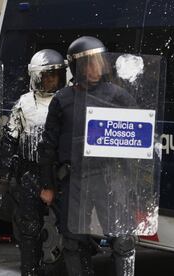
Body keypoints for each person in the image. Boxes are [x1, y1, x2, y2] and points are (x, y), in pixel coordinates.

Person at [38, 36, 137, 276]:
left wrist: (134, 182)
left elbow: (134, 143)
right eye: (88, 64)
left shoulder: (119, 97)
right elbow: (48, 146)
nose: (95, 68)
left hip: (108, 177)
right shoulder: (62, 100)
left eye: (99, 62)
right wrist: (47, 185)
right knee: (73, 241)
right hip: (75, 180)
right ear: (76, 67)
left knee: (122, 240)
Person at [0, 49, 67, 276]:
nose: (50, 80)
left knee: (68, 226)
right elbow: (10, 138)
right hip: (30, 172)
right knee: (29, 227)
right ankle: (30, 270)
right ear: (36, 77)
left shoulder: (66, 100)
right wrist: (4, 172)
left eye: (54, 76)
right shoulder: (24, 103)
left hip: (60, 173)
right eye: (46, 76)